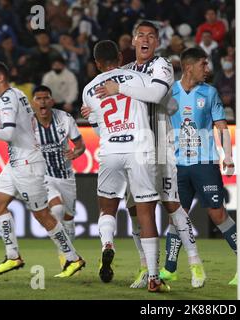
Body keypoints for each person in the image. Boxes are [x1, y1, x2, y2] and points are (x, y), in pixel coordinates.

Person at [87, 21, 205, 289]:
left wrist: (121, 90)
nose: (146, 39)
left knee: (171, 204)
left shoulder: (160, 65)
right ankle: (146, 268)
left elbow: (156, 93)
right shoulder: (126, 71)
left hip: (159, 147)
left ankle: (195, 263)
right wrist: (93, 113)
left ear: (156, 42)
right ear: (132, 41)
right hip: (134, 149)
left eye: (151, 36)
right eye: (141, 35)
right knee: (134, 209)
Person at [0, 61, 85, 277]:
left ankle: (73, 258)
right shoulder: (15, 95)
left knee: (43, 215)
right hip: (15, 162)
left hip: (28, 165)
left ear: (0, 78)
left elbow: (8, 134)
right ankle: (13, 256)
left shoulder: (8, 98)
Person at [82, 40, 169, 292]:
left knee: (107, 208)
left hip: (110, 150)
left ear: (97, 63)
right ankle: (153, 277)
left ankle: (107, 244)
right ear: (120, 57)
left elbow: (98, 128)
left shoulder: (89, 89)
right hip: (139, 149)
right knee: (145, 212)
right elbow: (155, 96)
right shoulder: (137, 77)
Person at [165, 47, 237, 285]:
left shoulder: (210, 93)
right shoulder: (169, 92)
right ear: (189, 67)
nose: (207, 69)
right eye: (203, 65)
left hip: (204, 162)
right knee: (177, 216)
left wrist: (228, 156)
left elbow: (221, 125)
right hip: (178, 165)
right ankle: (170, 268)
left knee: (217, 214)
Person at [30, 85, 86, 266]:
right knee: (57, 210)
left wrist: (76, 152)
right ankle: (66, 255)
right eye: (38, 99)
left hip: (65, 175)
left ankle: (66, 253)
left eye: (46, 98)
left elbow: (80, 145)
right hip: (42, 176)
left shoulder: (64, 119)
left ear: (52, 100)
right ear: (33, 103)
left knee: (68, 218)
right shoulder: (27, 124)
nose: (42, 102)